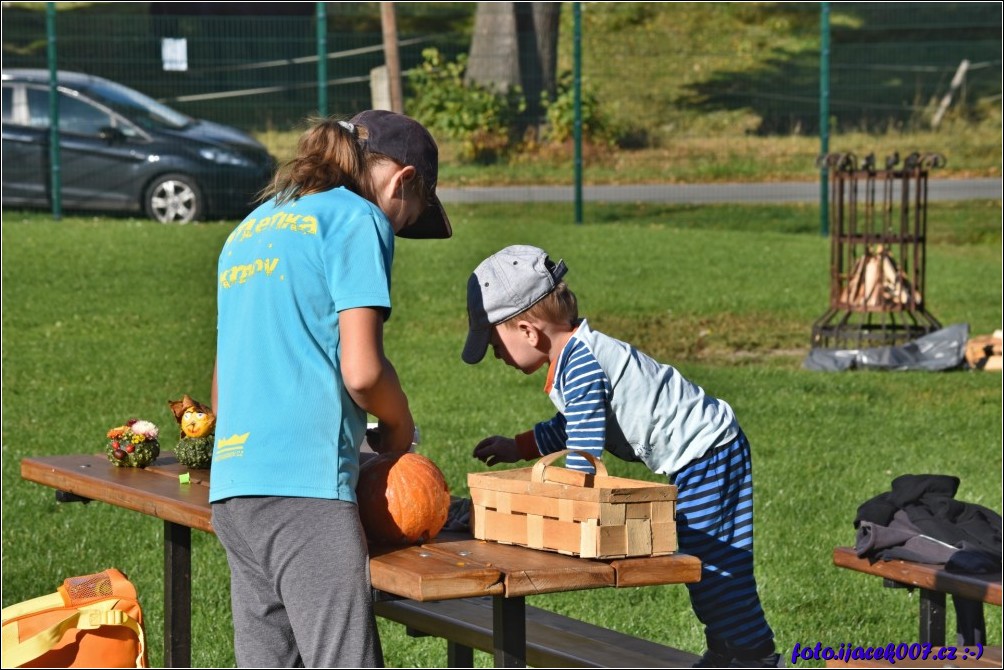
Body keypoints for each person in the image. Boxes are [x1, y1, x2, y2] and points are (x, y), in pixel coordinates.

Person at [209, 110, 452, 668]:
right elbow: (363, 371)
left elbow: (222, 391)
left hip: (235, 486)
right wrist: (399, 423)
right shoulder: (357, 219)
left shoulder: (249, 229)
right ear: (402, 180)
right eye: (405, 218)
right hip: (304, 493)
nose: (395, 227)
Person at [462, 244, 779, 668]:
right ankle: (733, 651)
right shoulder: (574, 358)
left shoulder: (582, 365)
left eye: (494, 342)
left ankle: (752, 657)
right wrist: (516, 446)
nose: (495, 355)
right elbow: (573, 426)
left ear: (527, 331)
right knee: (710, 566)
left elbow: (584, 448)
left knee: (715, 567)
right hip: (706, 452)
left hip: (708, 453)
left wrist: (570, 511)